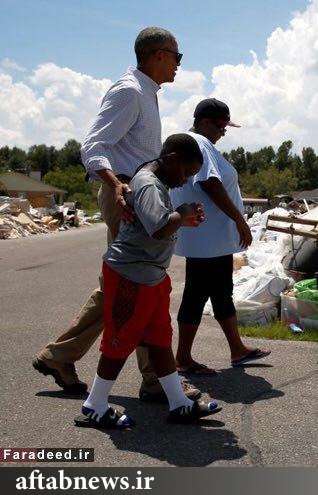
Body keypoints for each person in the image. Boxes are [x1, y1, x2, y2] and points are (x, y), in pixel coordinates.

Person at [33, 26, 200, 403]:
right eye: (178, 57)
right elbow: (93, 145)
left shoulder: (146, 93)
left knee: (126, 285)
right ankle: (155, 379)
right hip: (126, 196)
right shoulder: (130, 91)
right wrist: (116, 185)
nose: (178, 65)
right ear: (159, 54)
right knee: (141, 282)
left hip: (136, 194)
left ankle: (60, 357)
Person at [76, 133, 221, 428]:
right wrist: (181, 213)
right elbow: (158, 228)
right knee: (119, 340)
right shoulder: (147, 184)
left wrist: (183, 218)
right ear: (171, 159)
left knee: (159, 340)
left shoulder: (156, 183)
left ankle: (179, 403)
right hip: (131, 274)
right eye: (185, 173)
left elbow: (160, 225)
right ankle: (94, 405)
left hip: (151, 275)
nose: (184, 181)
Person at [169, 98, 269, 375]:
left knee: (221, 293)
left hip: (211, 240)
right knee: (196, 295)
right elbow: (209, 182)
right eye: (221, 125)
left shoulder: (201, 144)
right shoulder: (200, 143)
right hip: (207, 239)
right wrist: (240, 219)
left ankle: (237, 349)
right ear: (203, 122)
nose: (224, 131)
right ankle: (183, 358)